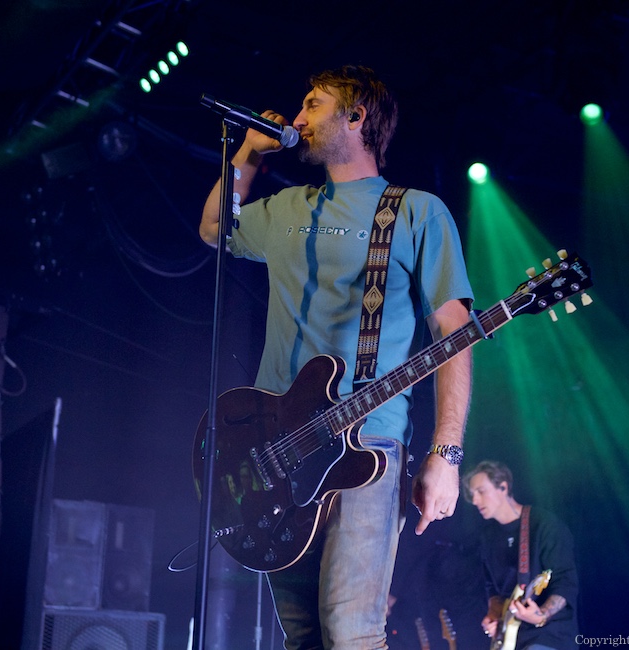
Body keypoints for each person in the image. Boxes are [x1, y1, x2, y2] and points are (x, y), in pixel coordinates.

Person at [199, 64, 475, 650]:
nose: (296, 118)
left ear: (356, 117)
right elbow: (213, 229)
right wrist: (248, 149)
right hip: (273, 447)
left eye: (313, 104)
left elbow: (456, 334)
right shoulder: (288, 207)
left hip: (366, 446)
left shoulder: (416, 212)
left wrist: (445, 453)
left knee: (350, 634)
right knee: (302, 637)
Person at [463, 460, 580, 650]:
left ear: (503, 487)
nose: (475, 501)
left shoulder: (544, 525)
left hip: (549, 635)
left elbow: (565, 580)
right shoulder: (487, 537)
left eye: (481, 491)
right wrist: (494, 615)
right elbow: (492, 588)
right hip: (511, 639)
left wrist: (541, 614)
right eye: (472, 495)